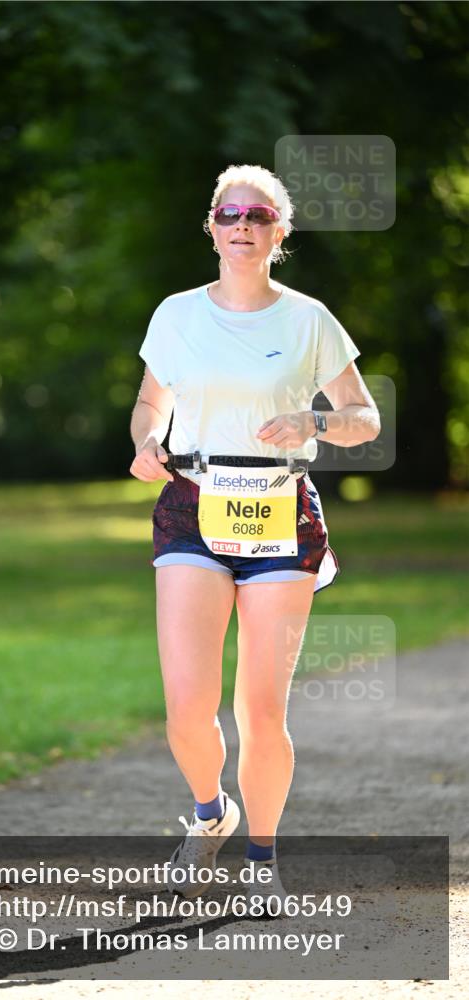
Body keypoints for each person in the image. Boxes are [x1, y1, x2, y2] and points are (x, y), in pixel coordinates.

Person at [129, 163, 380, 910]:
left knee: (262, 711)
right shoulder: (176, 314)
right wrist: (145, 441)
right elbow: (150, 402)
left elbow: (364, 419)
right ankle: (210, 814)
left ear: (280, 232)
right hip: (192, 506)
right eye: (229, 214)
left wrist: (312, 420)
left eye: (259, 216)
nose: (243, 225)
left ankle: (262, 861)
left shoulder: (309, 319)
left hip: (279, 509)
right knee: (187, 707)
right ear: (211, 227)